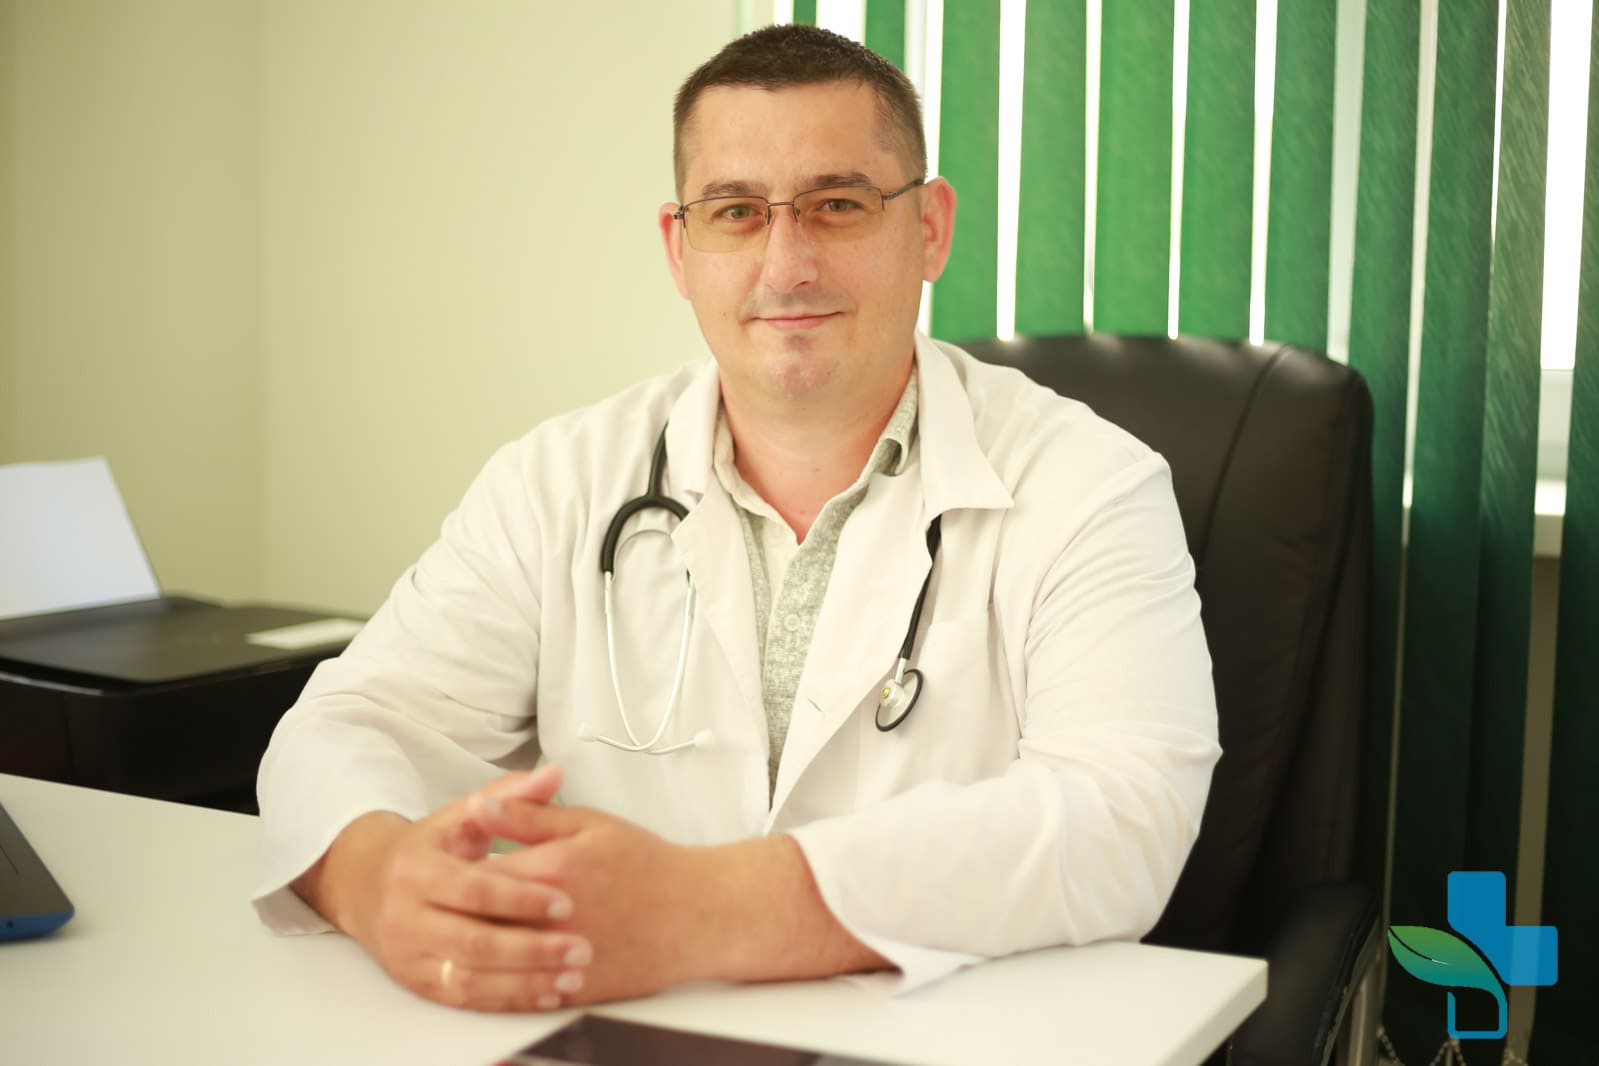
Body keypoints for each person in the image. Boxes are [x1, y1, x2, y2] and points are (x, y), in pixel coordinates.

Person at [254, 23, 1220, 1014]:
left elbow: (1124, 818)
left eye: (838, 204)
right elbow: (353, 722)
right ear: (680, 247)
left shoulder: (1089, 484)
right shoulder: (559, 480)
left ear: (929, 228)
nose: (786, 263)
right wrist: (378, 882)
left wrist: (699, 908)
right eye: (735, 212)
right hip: (620, 1028)